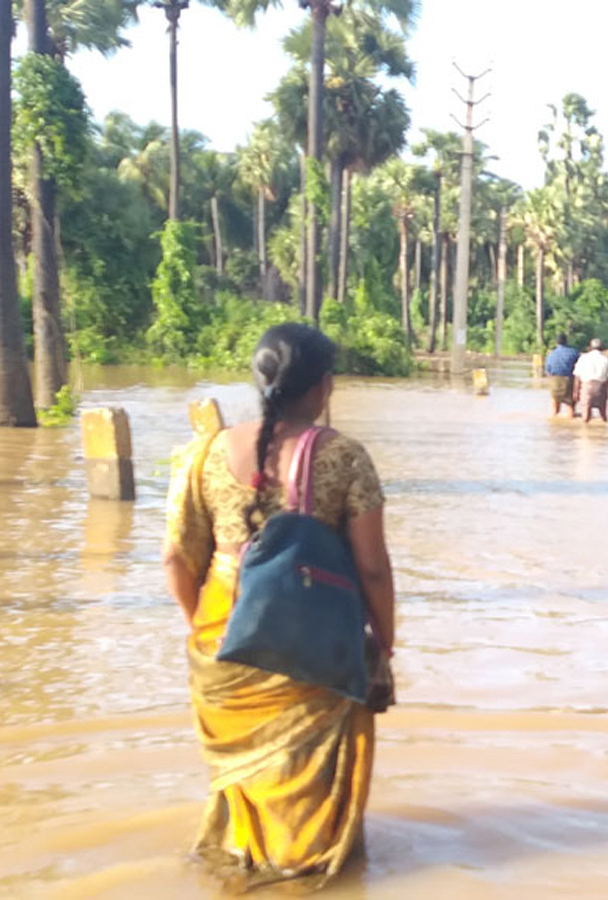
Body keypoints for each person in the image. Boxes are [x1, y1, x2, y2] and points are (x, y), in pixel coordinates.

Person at [163, 323, 395, 889]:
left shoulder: (202, 454)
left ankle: (240, 865)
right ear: (322, 386)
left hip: (223, 631)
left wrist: (207, 632)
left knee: (245, 782)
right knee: (308, 777)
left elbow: (175, 558)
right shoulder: (343, 456)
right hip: (316, 638)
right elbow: (370, 566)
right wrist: (383, 645)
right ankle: (305, 870)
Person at [573, 338, 608, 423]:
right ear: (602, 348)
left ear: (590, 347)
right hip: (601, 389)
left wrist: (575, 392)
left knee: (586, 418)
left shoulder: (583, 358)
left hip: (587, 388)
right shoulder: (606, 360)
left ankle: (586, 433)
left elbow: (577, 377)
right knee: (603, 417)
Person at [544, 333, 581, 417]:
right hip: (568, 380)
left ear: (556, 342)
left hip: (554, 381)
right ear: (566, 341)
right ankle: (570, 423)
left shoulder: (550, 354)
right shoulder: (574, 352)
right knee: (570, 406)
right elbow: (580, 368)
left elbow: (547, 372)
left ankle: (554, 424)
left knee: (555, 407)